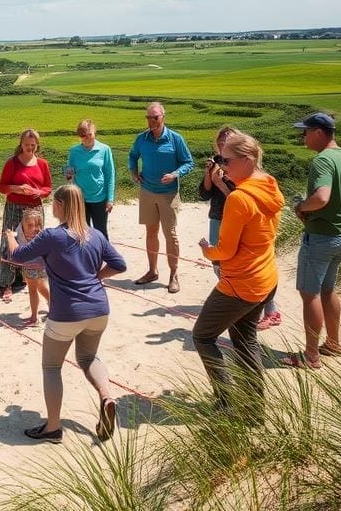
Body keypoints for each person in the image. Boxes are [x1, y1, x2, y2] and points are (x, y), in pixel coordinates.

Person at [4, 184, 127, 444]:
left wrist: (10, 236)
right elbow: (120, 265)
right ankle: (107, 396)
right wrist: (97, 276)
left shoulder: (52, 235)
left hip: (67, 313)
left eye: (55, 203)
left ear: (60, 206)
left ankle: (52, 427)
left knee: (51, 367)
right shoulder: (95, 235)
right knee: (88, 357)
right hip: (99, 309)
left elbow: (18, 257)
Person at [195, 132, 283, 423]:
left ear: (247, 160)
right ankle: (254, 412)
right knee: (246, 340)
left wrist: (208, 251)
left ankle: (226, 402)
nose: (222, 165)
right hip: (265, 277)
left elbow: (225, 251)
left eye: (227, 160)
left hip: (239, 283)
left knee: (202, 336)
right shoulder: (268, 184)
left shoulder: (239, 199)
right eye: (219, 158)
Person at [284, 112, 341, 369]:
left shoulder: (322, 161)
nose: (302, 137)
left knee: (309, 293)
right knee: (327, 289)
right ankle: (333, 343)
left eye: (305, 132)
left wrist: (301, 206)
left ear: (319, 133)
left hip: (322, 236)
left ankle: (311, 356)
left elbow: (322, 197)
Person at [128, 101, 194, 294]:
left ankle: (174, 275)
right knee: (150, 232)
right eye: (148, 118)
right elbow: (133, 155)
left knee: (170, 234)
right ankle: (152, 271)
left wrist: (175, 174)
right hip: (147, 192)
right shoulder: (142, 139)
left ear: (163, 117)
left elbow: (188, 163)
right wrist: (134, 171)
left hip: (169, 195)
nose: (151, 122)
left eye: (155, 117)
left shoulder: (175, 139)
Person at [0, 129, 52, 303]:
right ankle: (6, 283)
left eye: (33, 145)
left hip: (35, 209)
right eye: (27, 145)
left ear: (37, 145)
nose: (30, 148)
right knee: (9, 242)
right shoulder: (12, 163)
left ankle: (32, 277)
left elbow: (48, 188)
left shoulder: (42, 164)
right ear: (21, 144)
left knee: (35, 244)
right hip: (14, 206)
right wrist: (15, 188)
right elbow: (2, 187)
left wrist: (38, 192)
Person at [64, 119, 115, 240]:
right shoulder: (74, 151)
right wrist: (68, 174)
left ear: (95, 132)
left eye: (89, 134)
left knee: (101, 233)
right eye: (83, 135)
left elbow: (110, 174)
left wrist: (110, 199)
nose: (87, 138)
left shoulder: (105, 149)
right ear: (79, 136)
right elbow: (68, 173)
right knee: (81, 232)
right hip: (80, 198)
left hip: (100, 198)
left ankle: (101, 258)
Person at [14, 207, 50, 328]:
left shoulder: (40, 236)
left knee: (33, 291)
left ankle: (34, 317)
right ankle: (54, 307)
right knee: (41, 287)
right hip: (35, 267)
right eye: (30, 225)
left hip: (36, 268)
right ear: (23, 226)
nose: (35, 228)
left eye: (38, 225)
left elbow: (14, 250)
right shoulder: (21, 233)